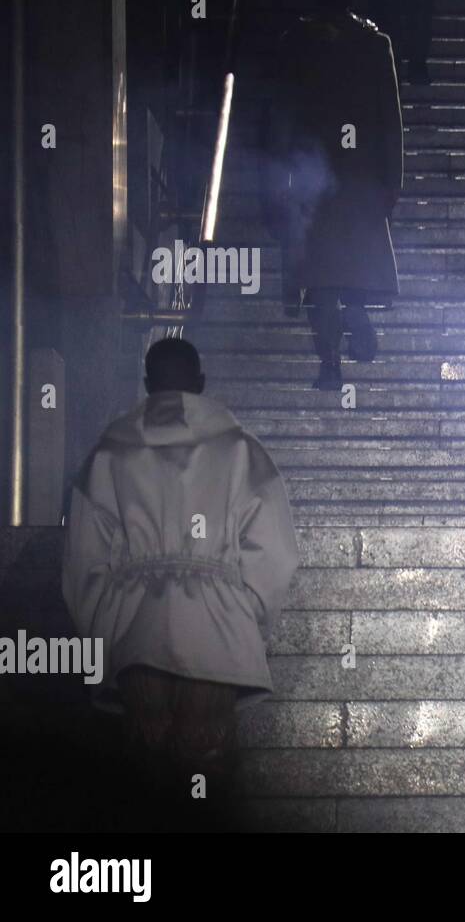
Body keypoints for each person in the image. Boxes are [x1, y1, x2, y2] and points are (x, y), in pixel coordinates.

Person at [61, 338, 300, 823]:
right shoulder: (240, 450)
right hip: (217, 635)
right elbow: (275, 552)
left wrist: (104, 628)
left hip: (136, 630)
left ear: (147, 386)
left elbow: (82, 560)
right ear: (201, 385)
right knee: (206, 769)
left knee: (147, 768)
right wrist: (244, 615)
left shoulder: (110, 452)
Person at [262, 0, 404, 390]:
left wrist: (275, 179)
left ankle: (329, 364)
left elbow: (279, 117)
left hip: (310, 175)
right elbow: (388, 119)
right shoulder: (374, 44)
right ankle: (356, 309)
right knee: (353, 264)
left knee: (318, 277)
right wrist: (391, 180)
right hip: (360, 175)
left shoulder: (296, 44)